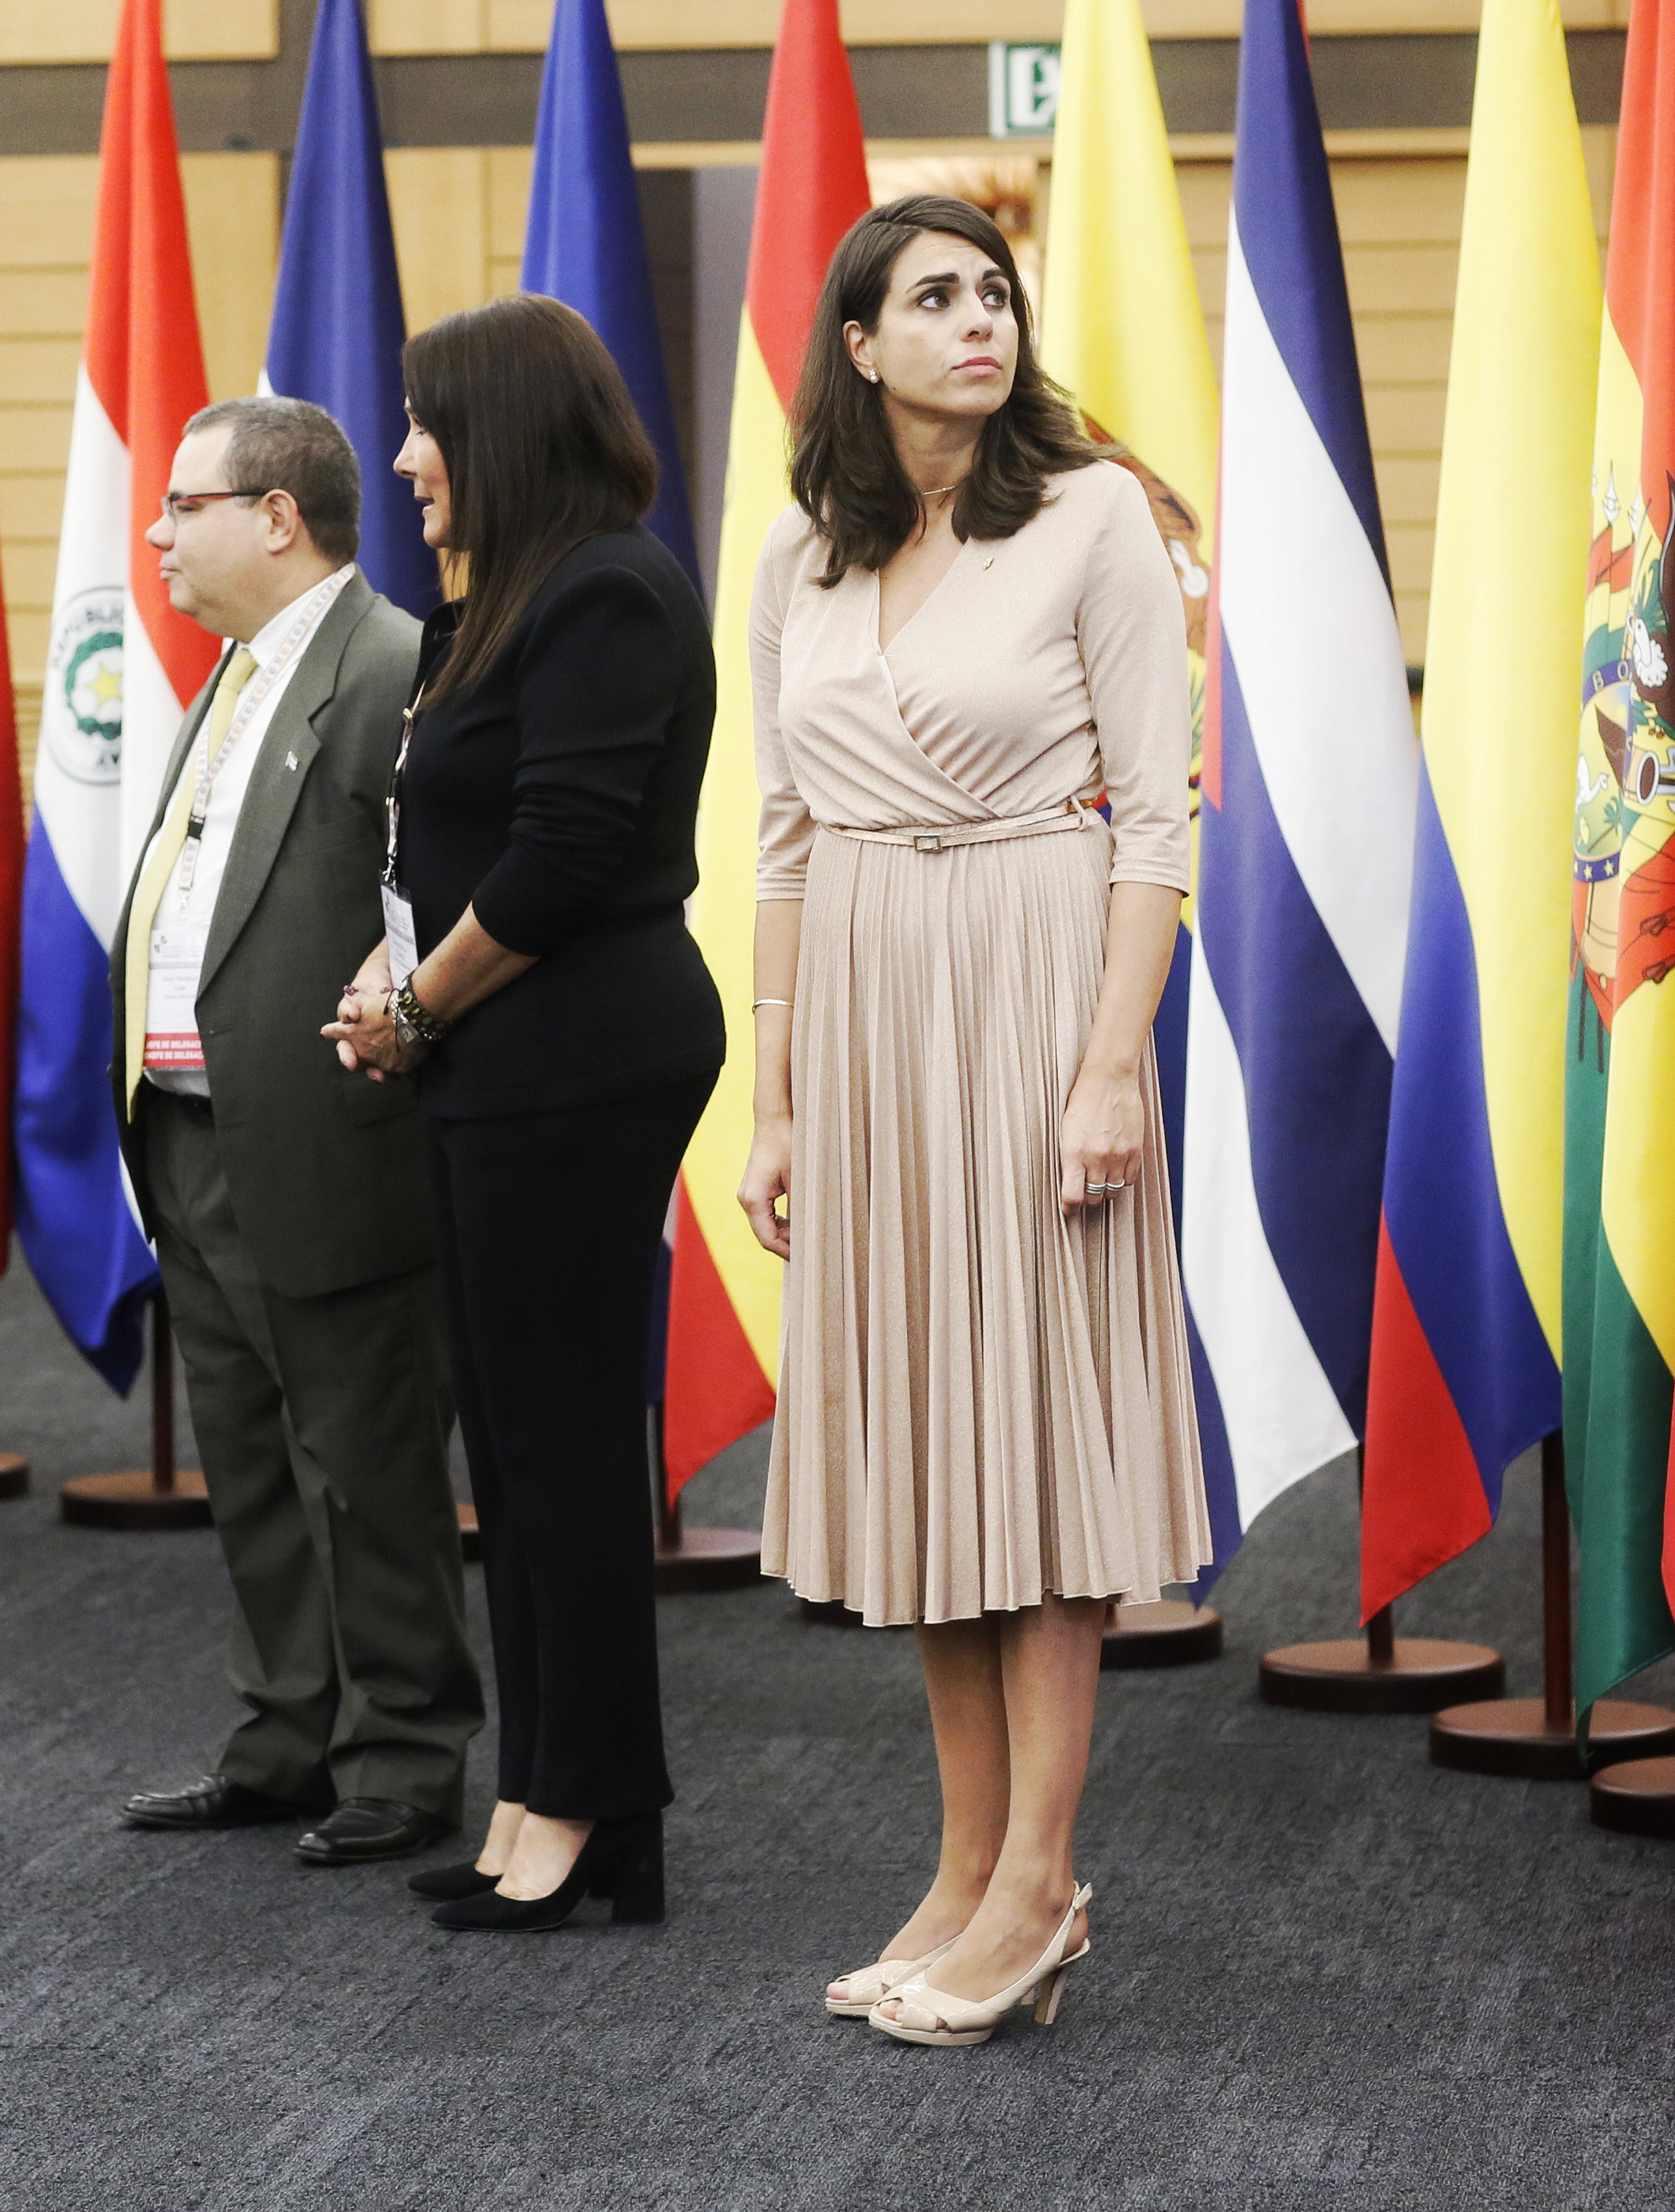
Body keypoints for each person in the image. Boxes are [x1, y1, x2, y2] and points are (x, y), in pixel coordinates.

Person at [735, 198, 1207, 2047]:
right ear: (860, 344)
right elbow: (779, 834)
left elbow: (1156, 823)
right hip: (860, 1004)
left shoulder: (1096, 512)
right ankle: (960, 1866)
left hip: (1035, 980)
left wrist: (1110, 1062)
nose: (976, 322)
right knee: (929, 1451)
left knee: (1047, 1436)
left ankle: (1041, 1883)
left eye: (993, 294)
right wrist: (772, 1101)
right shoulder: (799, 553)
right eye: (933, 298)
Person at [322, 295, 725, 1932]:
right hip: (504, 1058)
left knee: (558, 1452)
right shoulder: (502, 603)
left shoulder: (611, 588)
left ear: (501, 429)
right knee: (517, 1446)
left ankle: (592, 1806)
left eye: (427, 423)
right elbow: (447, 858)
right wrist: (389, 986)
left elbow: (562, 859)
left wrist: (418, 1008)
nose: (408, 457)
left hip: (583, 1049)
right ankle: (545, 1792)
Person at [108, 396, 483, 1864]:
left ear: (276, 515)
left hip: (333, 1132)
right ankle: (284, 1733)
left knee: (365, 1455)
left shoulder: (391, 666)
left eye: (183, 505)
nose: (157, 532)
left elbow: (429, 907)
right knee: (251, 1453)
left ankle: (401, 1751)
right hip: (195, 1130)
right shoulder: (237, 673)